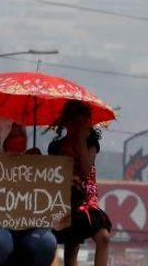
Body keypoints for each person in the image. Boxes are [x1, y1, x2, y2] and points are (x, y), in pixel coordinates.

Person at [0, 118, 57, 266]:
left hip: (27, 226)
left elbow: (45, 199)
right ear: (0, 135)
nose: (18, 139)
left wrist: (37, 168)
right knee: (0, 241)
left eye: (21, 133)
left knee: (46, 242)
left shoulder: (34, 161)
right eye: (12, 134)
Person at [48, 101, 112, 266]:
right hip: (61, 199)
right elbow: (52, 174)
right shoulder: (56, 147)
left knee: (103, 237)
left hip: (84, 200)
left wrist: (82, 141)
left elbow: (85, 168)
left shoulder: (91, 145)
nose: (82, 125)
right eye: (78, 121)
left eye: (85, 121)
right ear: (68, 123)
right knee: (72, 247)